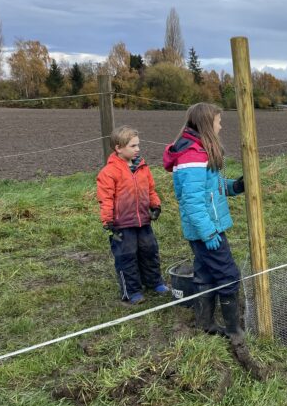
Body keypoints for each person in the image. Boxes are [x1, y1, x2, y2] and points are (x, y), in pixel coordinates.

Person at [163, 103, 246, 342]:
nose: (221, 125)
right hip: (206, 231)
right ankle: (233, 329)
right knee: (228, 273)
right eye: (218, 121)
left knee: (206, 273)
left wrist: (235, 187)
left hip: (206, 228)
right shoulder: (192, 157)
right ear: (208, 124)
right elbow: (193, 202)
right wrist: (209, 234)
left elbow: (212, 189)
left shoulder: (199, 152)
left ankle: (205, 323)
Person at [97, 125, 168, 305]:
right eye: (133, 146)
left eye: (138, 145)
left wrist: (155, 204)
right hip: (122, 224)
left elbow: (150, 189)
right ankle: (132, 290)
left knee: (149, 251)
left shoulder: (143, 167)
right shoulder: (109, 172)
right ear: (118, 148)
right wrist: (108, 220)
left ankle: (154, 282)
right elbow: (105, 198)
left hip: (143, 221)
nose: (138, 149)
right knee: (126, 256)